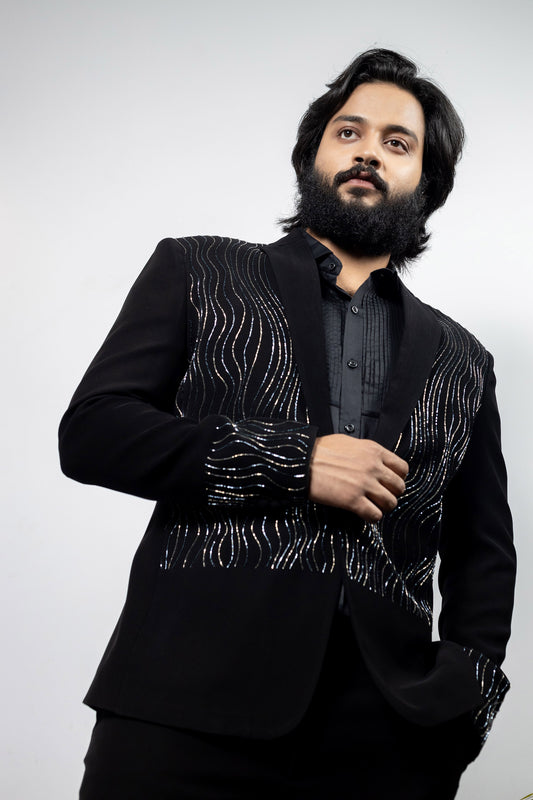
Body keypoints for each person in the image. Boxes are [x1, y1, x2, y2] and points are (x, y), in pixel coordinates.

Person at [59, 48, 516, 799]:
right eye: (348, 132)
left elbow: (483, 552)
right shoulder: (198, 270)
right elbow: (94, 432)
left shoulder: (463, 358)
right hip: (179, 702)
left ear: (425, 183)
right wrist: (295, 461)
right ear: (312, 154)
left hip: (387, 738)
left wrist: (465, 700)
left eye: (397, 142)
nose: (368, 151)